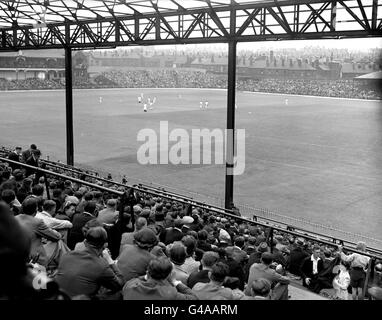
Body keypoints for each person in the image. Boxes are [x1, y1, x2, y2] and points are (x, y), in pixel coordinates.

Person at [55, 226, 124, 299]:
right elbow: (120, 283)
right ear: (105, 245)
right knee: (118, 294)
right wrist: (109, 260)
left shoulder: (67, 255)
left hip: (58, 297)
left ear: (85, 242)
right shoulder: (101, 265)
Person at [122, 257, 198, 300]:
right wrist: (175, 282)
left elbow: (137, 279)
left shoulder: (130, 285)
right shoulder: (170, 294)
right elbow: (194, 298)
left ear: (148, 272)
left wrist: (147, 275)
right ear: (169, 276)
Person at [15, 197, 61, 266]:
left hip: (17, 254)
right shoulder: (37, 222)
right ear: (36, 209)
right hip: (34, 258)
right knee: (59, 242)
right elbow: (56, 236)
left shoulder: (15, 218)